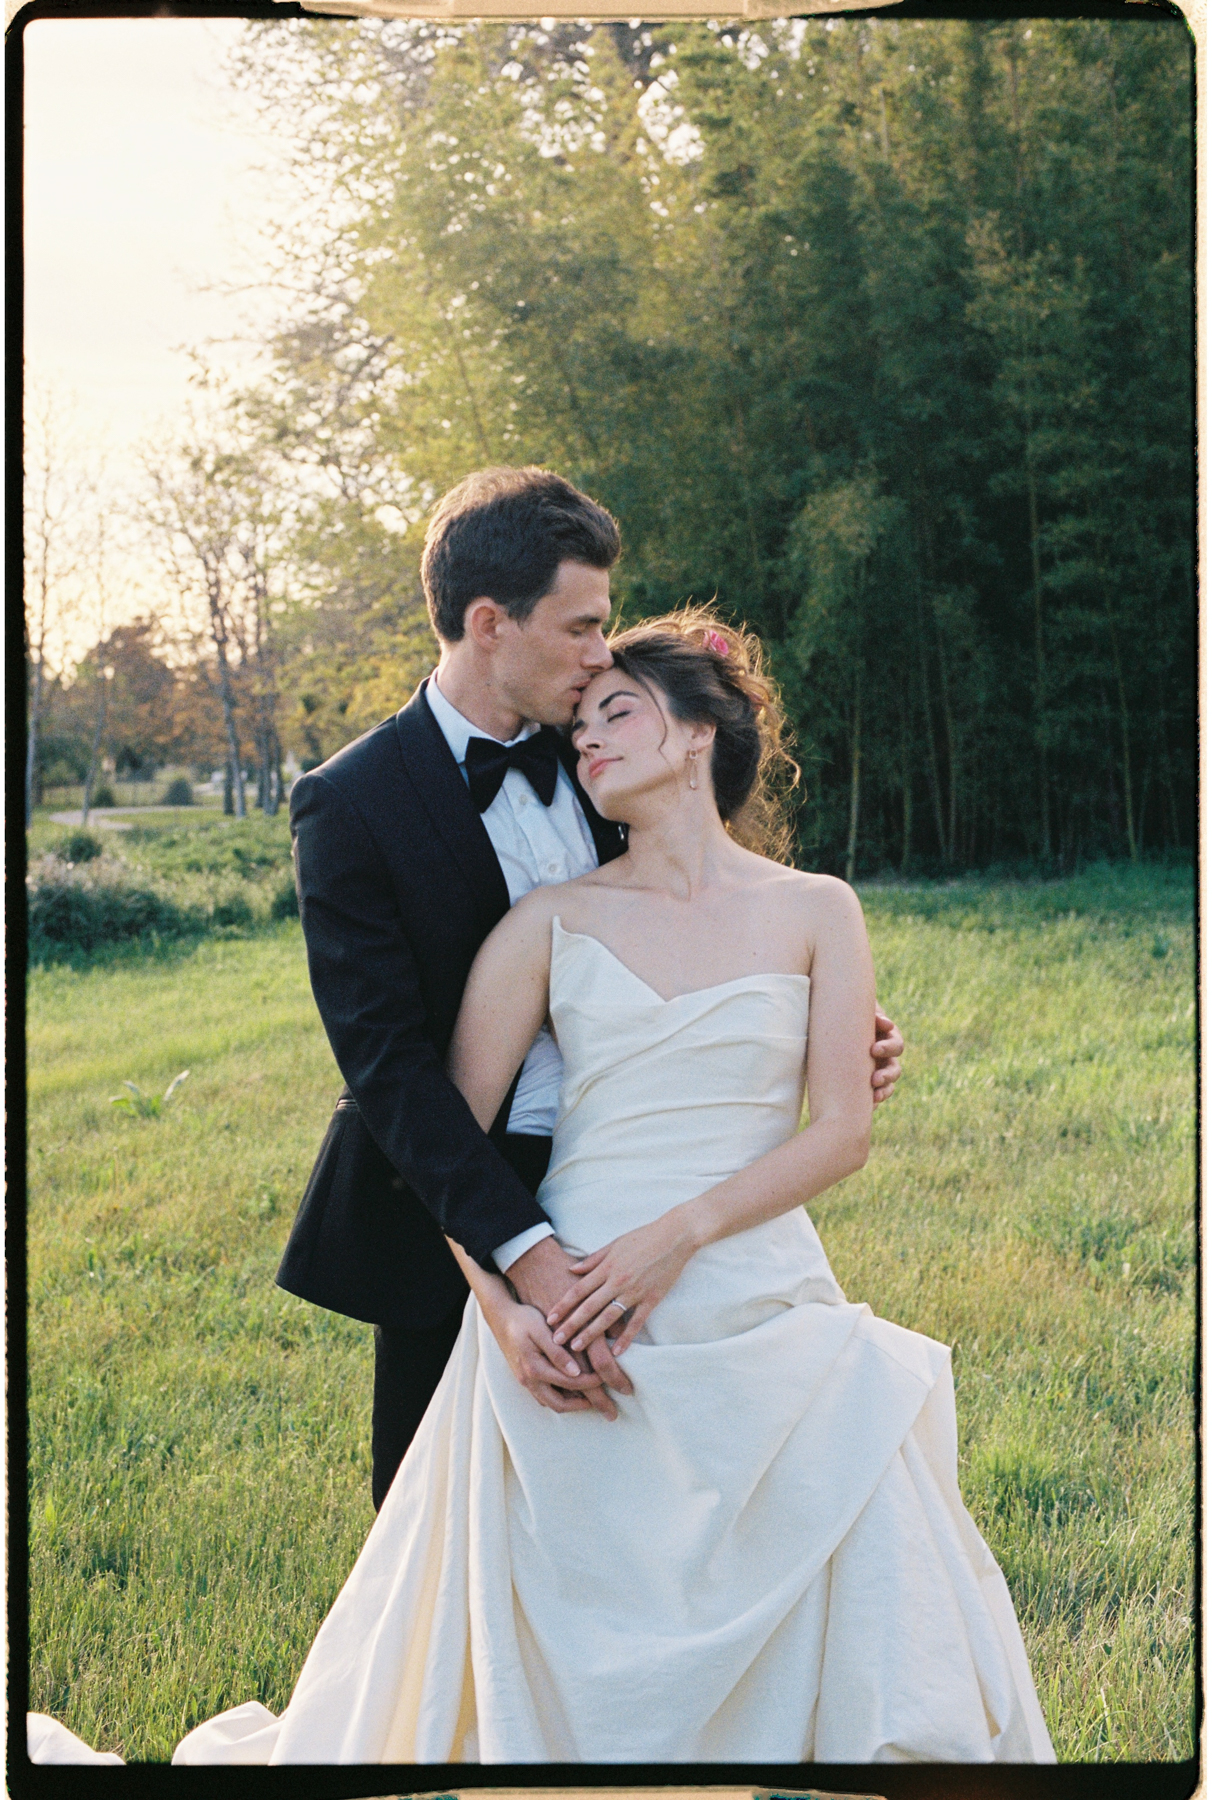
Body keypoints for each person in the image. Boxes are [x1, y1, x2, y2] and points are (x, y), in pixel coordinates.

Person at [157, 609, 1051, 1764]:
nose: (583, 739)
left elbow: (843, 1131)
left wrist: (683, 1233)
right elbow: (446, 1143)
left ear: (696, 736)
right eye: (578, 726)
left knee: (841, 1495)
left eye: (614, 713)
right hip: (565, 1284)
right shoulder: (546, 919)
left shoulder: (820, 907)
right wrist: (506, 1312)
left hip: (755, 1277)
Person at [273, 465, 903, 1509]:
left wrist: (825, 1026)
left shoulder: (603, 747)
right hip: (460, 1180)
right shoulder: (352, 804)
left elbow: (704, 915)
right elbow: (390, 1069)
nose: (601, 654)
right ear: (490, 623)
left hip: (653, 1161)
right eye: (581, 626)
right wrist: (510, 1279)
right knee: (443, 1529)